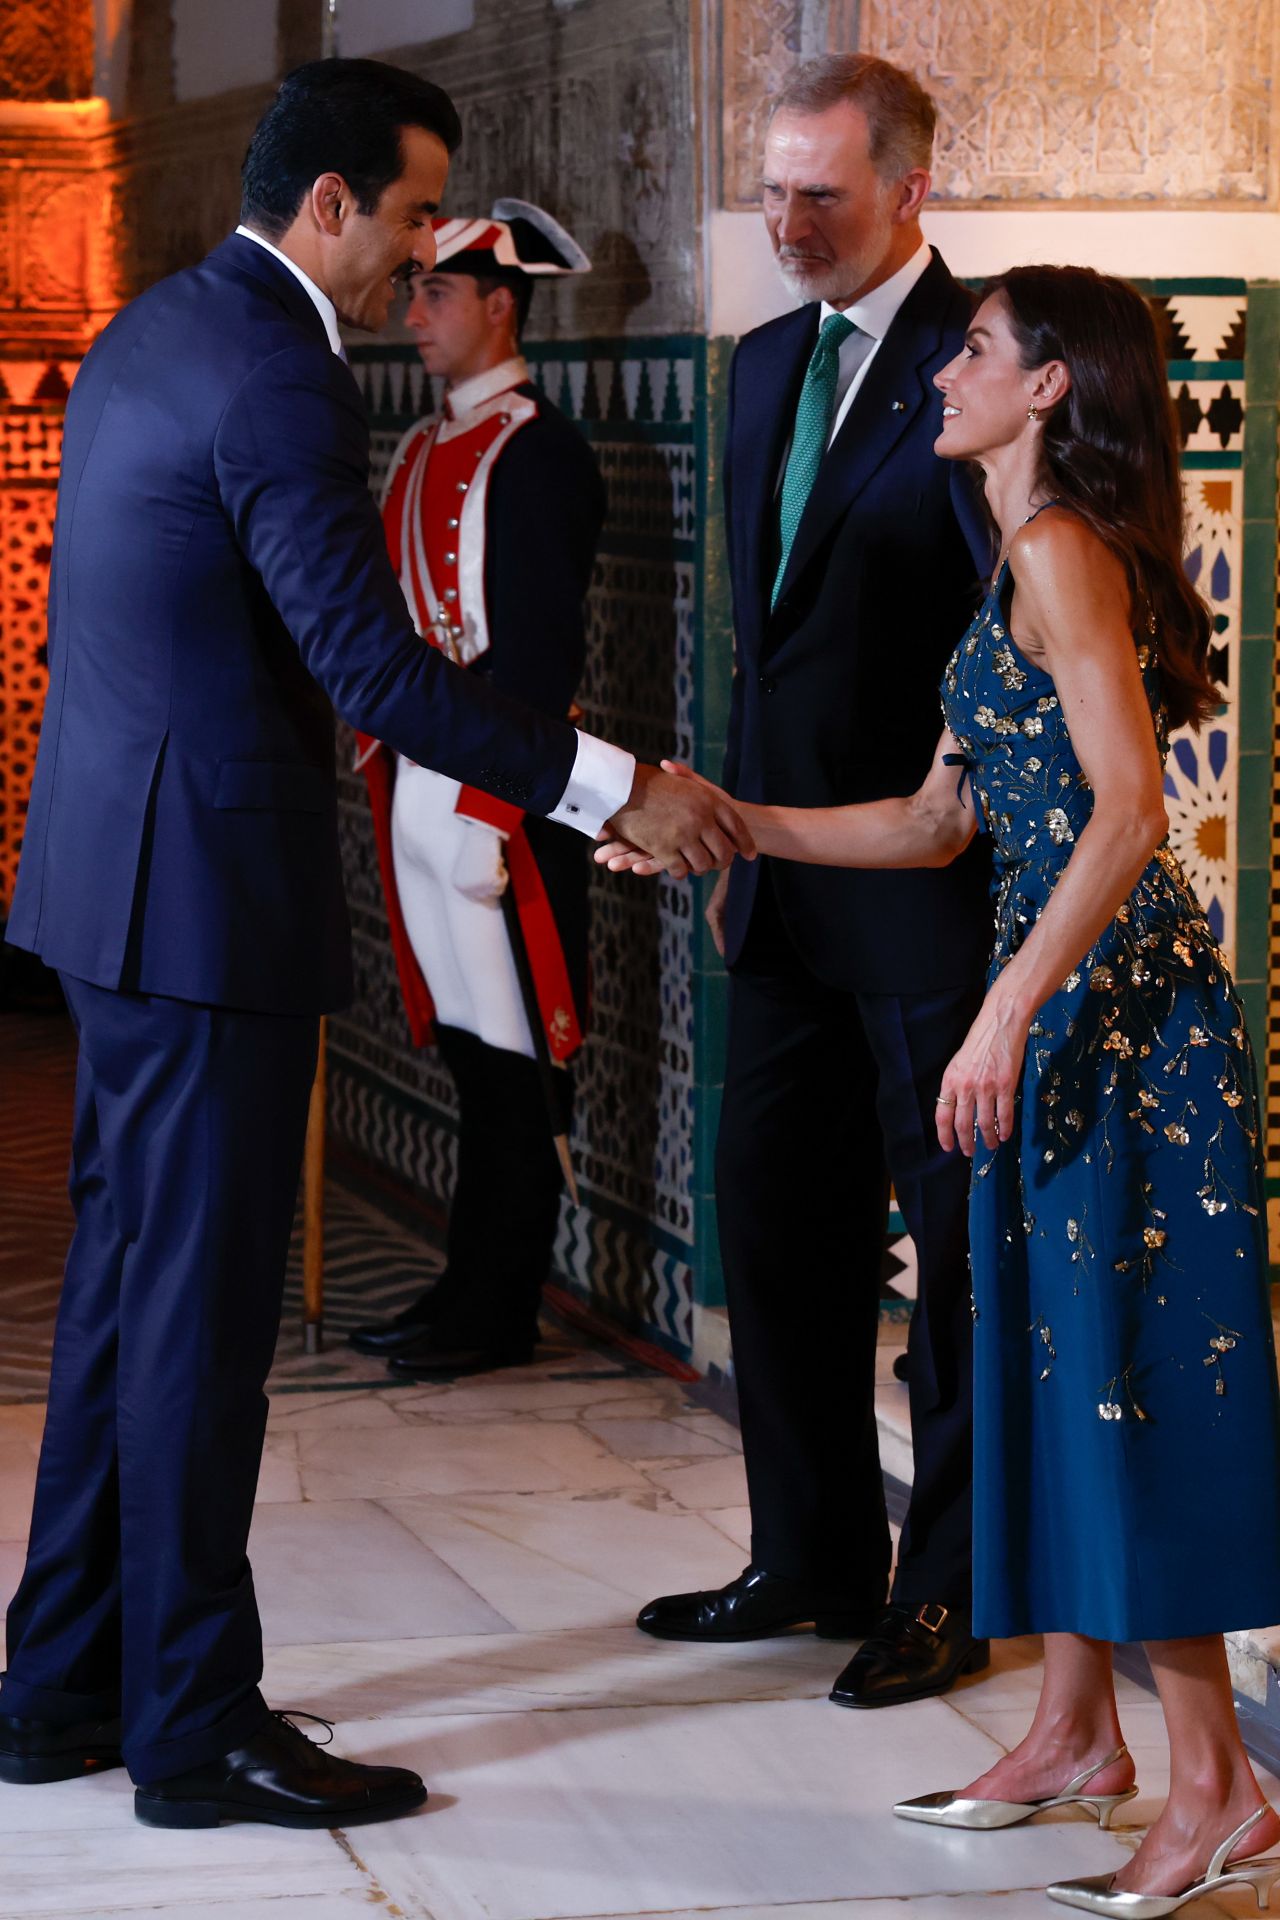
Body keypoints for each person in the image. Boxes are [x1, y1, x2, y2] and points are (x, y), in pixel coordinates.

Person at [0, 59, 749, 1830]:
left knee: (125, 1299)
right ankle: (189, 1729)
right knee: (199, 1328)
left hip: (108, 895)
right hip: (200, 913)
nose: (422, 250)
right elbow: (378, 670)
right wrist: (612, 784)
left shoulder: (157, 325)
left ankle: (55, 1688)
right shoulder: (274, 370)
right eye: (413, 213)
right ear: (326, 203)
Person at [604, 264, 1280, 1914]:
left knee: (1116, 1391)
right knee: (1048, 1385)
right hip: (1056, 1028)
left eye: (973, 354)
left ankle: (1222, 1785)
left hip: (1120, 1036)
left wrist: (997, 1018)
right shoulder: (1012, 559)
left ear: (1049, 388)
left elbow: (1129, 814)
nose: (941, 377)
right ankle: (1072, 1732)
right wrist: (731, 819)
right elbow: (933, 822)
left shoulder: (1056, 549)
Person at [634, 53, 996, 1710]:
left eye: (822, 196)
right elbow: (760, 635)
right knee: (777, 1222)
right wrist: (730, 841)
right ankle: (808, 1553)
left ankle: (951, 1590)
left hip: (934, 889)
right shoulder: (768, 360)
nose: (787, 224)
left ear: (912, 190)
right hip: (776, 885)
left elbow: (1026, 627)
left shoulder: (993, 359)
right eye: (773, 190)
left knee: (956, 1256)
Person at [348, 201, 603, 1376]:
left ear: (499, 304)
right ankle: (467, 1287)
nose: (413, 315)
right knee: (464, 1052)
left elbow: (538, 672)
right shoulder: (419, 446)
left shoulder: (538, 452)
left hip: (497, 803)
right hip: (419, 782)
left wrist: (494, 816)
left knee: (512, 1063)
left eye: (434, 294)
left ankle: (498, 1308)